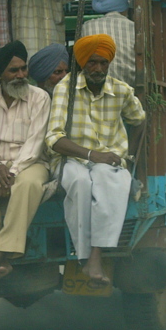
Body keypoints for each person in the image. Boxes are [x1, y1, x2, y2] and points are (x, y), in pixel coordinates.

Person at [46, 34, 146, 284]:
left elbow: (140, 120)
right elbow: (54, 139)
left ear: (109, 64)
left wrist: (130, 157)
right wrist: (92, 155)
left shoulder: (121, 90)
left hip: (108, 162)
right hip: (71, 160)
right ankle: (83, 257)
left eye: (103, 63)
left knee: (109, 182)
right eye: (92, 63)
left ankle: (94, 257)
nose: (98, 69)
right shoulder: (65, 89)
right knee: (80, 184)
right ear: (82, 63)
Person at [0, 41, 51, 282]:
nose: (21, 75)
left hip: (30, 163)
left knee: (28, 186)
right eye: (14, 70)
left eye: (23, 69)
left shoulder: (40, 98)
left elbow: (35, 142)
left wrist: (11, 172)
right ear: (1, 73)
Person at [77, 0, 136, 85]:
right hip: (130, 85)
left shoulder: (87, 26)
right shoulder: (135, 28)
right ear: (125, 6)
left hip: (96, 84)